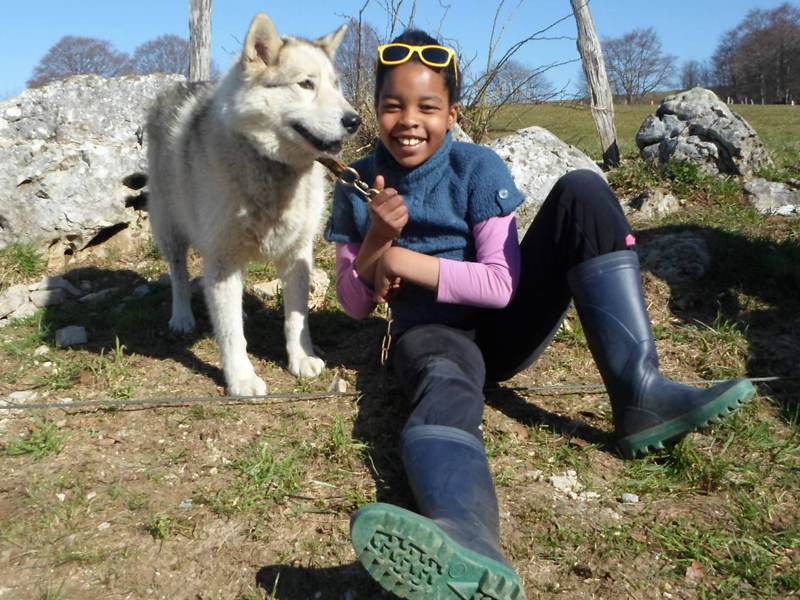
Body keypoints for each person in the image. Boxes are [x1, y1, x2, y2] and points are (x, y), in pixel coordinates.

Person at [324, 29, 755, 600]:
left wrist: (402, 257)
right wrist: (377, 235)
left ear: (452, 113)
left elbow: (501, 286)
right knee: (445, 387)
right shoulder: (358, 183)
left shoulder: (477, 169)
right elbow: (356, 304)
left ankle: (641, 395)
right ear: (375, 110)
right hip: (430, 335)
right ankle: (468, 537)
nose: (409, 120)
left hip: (504, 327)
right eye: (392, 105)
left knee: (582, 189)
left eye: (427, 106)